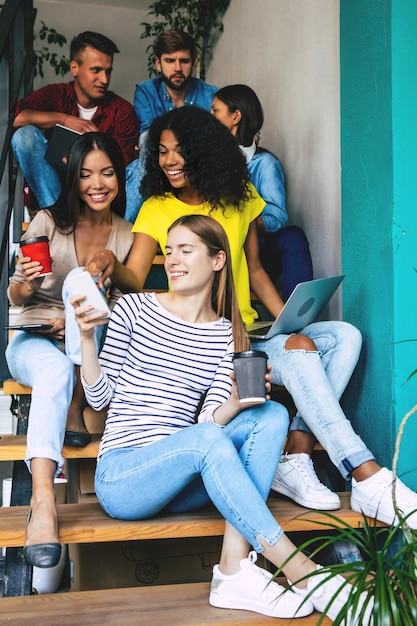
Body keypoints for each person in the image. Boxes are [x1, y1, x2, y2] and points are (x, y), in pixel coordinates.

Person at [71, 214, 371, 622]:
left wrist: (235, 401)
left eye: (185, 250)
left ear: (217, 261)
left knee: (272, 414)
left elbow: (212, 421)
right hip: (125, 476)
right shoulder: (134, 307)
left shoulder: (224, 334)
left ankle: (233, 569)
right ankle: (300, 569)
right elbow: (99, 398)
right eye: (169, 249)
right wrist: (87, 338)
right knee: (205, 441)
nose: (173, 259)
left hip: (184, 478)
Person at [127, 106, 417, 528]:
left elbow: (258, 271)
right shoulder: (155, 207)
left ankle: (296, 451)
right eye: (163, 152)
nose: (168, 161)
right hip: (212, 339)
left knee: (344, 336)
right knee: (301, 353)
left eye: (179, 151)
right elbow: (133, 278)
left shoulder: (240, 198)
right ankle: (365, 474)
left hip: (254, 331)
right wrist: (105, 266)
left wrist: (289, 322)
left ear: (204, 152)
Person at [5, 132, 141, 569]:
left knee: (101, 310)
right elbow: (16, 296)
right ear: (72, 178)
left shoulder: (123, 233)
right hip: (34, 340)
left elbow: (129, 292)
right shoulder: (47, 220)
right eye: (85, 174)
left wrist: (104, 268)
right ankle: (43, 501)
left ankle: (77, 403)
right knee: (56, 372)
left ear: (119, 176)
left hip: (86, 342)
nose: (96, 183)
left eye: (106, 173)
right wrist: (24, 283)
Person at [11, 31, 138, 210]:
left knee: (142, 166)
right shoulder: (55, 95)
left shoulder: (121, 110)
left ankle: (109, 231)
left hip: (102, 198)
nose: (104, 79)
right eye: (96, 70)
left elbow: (119, 168)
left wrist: (80, 163)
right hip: (58, 194)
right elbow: (12, 117)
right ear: (74, 68)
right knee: (24, 135)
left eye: (108, 72)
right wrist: (63, 119)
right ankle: (58, 221)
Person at [211, 84, 313, 301]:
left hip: (253, 253)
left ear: (235, 116)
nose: (209, 117)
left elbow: (277, 218)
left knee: (293, 237)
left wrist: (244, 220)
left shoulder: (265, 164)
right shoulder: (206, 158)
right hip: (216, 249)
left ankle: (298, 319)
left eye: (215, 110)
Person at [125, 30, 218, 223]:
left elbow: (236, 138)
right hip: (161, 165)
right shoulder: (146, 91)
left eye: (184, 61)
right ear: (158, 63)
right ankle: (122, 231)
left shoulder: (211, 95)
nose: (177, 68)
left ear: (193, 63)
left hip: (201, 167)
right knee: (141, 163)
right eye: (170, 61)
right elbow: (146, 140)